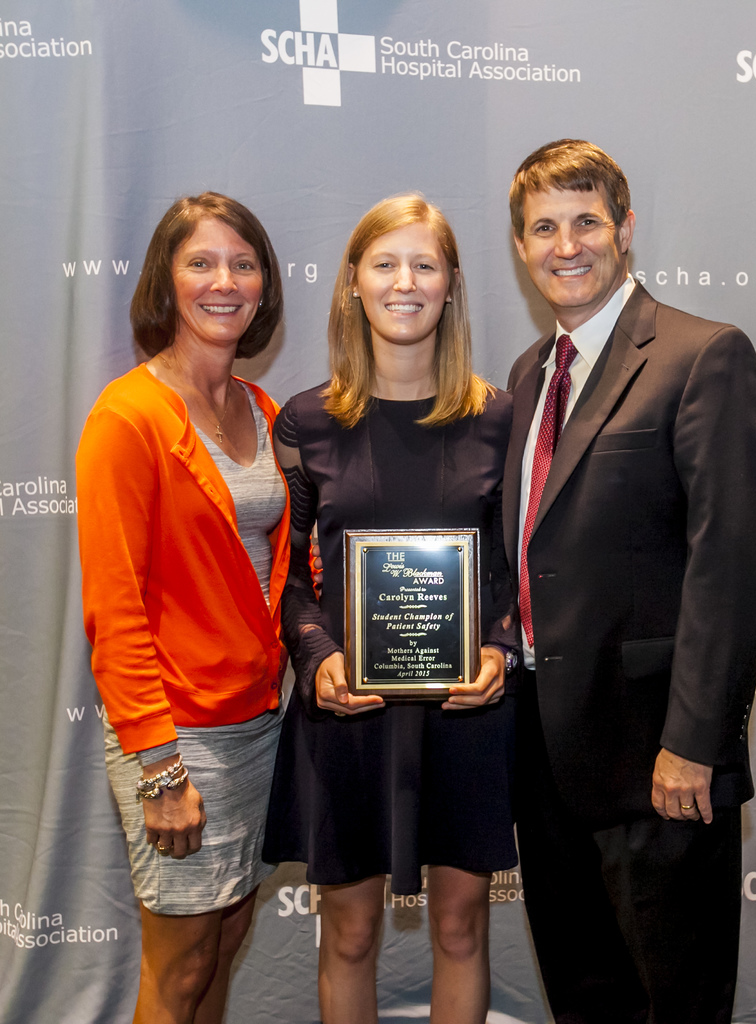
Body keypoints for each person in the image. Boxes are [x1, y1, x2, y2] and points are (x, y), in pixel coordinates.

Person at [504, 139, 756, 1024]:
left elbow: (730, 564)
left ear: (625, 230)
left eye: (586, 220)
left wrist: (693, 742)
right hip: (545, 758)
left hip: (658, 761)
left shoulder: (703, 355)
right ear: (521, 246)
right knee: (585, 996)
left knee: (677, 1002)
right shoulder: (527, 377)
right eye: (544, 226)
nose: (566, 243)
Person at [263, 193, 518, 1024]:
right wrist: (316, 654)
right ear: (353, 284)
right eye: (385, 263)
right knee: (348, 933)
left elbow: (521, 570)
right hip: (348, 709)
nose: (404, 282)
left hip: (465, 709)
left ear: (451, 286)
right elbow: (293, 574)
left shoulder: (499, 421)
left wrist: (502, 651)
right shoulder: (306, 421)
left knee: (459, 926)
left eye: (425, 264)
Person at [76, 192, 289, 1024]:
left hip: (261, 724)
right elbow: (114, 611)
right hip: (178, 737)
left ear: (265, 287)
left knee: (225, 941)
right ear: (167, 281)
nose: (224, 281)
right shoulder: (127, 417)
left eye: (243, 264)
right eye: (201, 262)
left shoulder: (265, 411)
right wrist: (161, 771)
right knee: (177, 967)